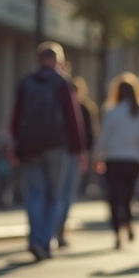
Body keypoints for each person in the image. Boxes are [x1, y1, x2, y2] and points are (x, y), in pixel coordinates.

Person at [9, 42, 86, 262]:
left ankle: (35, 239)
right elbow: (73, 118)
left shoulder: (25, 81)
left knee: (34, 195)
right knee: (54, 197)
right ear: (58, 60)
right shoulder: (62, 82)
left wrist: (14, 145)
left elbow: (15, 116)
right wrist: (79, 149)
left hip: (29, 147)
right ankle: (44, 241)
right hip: (57, 147)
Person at [94, 74, 139, 249]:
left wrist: (98, 156)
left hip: (113, 159)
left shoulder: (112, 111)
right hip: (133, 160)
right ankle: (128, 222)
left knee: (114, 196)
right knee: (129, 196)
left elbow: (104, 137)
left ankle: (117, 231)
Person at [57, 76, 99, 248]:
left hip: (62, 152)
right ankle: (58, 230)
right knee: (66, 194)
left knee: (59, 194)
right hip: (73, 154)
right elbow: (90, 135)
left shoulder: (75, 107)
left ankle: (56, 230)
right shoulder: (85, 108)